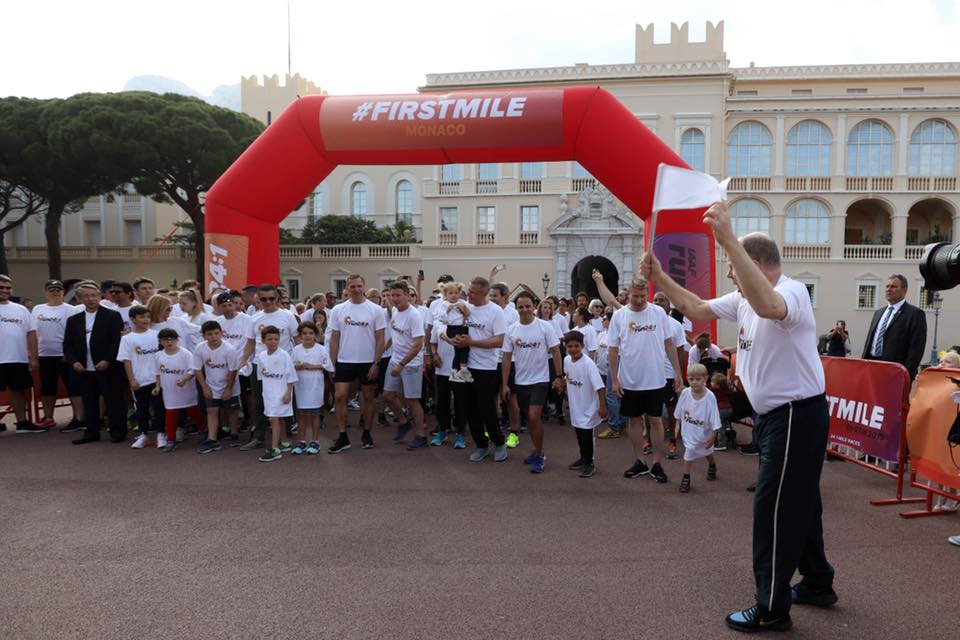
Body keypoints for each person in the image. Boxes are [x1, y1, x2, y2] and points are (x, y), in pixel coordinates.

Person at [643, 201, 835, 633]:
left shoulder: (791, 293)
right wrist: (660, 277)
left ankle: (771, 608)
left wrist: (729, 238)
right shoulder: (743, 298)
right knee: (802, 503)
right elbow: (696, 308)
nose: (729, 273)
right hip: (776, 419)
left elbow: (769, 307)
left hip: (795, 416)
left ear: (756, 263)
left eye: (733, 265)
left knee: (774, 510)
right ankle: (819, 582)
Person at [607, 276, 683, 484]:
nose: (639, 300)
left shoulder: (658, 313)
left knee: (656, 420)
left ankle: (657, 463)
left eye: (643, 296)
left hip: (656, 378)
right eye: (635, 297)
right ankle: (640, 460)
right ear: (628, 295)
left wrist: (678, 373)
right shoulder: (619, 316)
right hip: (629, 380)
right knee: (633, 420)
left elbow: (669, 344)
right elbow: (612, 350)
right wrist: (614, 380)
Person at [501, 291, 562, 473]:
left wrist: (559, 376)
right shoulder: (511, 330)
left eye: (528, 306)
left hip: (540, 380)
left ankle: (540, 453)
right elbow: (506, 358)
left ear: (534, 307)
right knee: (529, 418)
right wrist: (504, 384)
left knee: (535, 416)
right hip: (521, 381)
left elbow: (556, 351)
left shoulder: (544, 327)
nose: (525, 310)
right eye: (521, 307)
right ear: (516, 308)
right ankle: (536, 450)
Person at [327, 274, 386, 454]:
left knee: (368, 397)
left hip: (367, 361)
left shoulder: (376, 310)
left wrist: (376, 363)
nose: (356, 289)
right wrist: (332, 363)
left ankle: (367, 433)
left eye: (359, 286)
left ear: (364, 286)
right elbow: (334, 338)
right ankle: (343, 435)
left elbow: (380, 338)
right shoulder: (338, 309)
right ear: (346, 289)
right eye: (352, 286)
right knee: (339, 396)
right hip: (344, 360)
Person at [238, 283, 300, 451]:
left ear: (277, 298)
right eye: (263, 299)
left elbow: (297, 339)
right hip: (260, 365)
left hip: (282, 366)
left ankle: (284, 436)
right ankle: (258, 437)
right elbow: (251, 342)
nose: (267, 302)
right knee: (259, 402)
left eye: (271, 298)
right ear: (258, 300)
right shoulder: (255, 319)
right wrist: (244, 360)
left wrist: (300, 358)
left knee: (285, 400)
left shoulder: (288, 316)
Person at [64, 282, 126, 443]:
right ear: (79, 298)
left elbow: (117, 341)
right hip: (84, 369)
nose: (90, 299)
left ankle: (117, 431)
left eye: (94, 295)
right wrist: (74, 362)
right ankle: (91, 432)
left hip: (108, 367)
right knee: (89, 402)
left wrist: (107, 359)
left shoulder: (112, 316)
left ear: (100, 296)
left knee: (113, 401)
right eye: (86, 296)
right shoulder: (73, 320)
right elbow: (68, 345)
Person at [454, 277, 507, 462]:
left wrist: (472, 343)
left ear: (484, 293)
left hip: (486, 368)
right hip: (463, 366)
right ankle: (481, 445)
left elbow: (500, 340)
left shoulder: (496, 312)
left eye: (473, 292)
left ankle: (499, 443)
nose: (469, 294)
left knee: (487, 408)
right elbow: (445, 324)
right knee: (468, 408)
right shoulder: (464, 307)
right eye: (469, 290)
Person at [32, 279, 84, 432]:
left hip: (65, 355)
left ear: (63, 292)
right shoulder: (37, 309)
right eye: (51, 289)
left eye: (58, 289)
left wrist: (70, 353)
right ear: (45, 292)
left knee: (73, 387)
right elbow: (33, 333)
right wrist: (34, 355)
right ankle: (48, 418)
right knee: (47, 388)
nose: (55, 292)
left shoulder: (71, 309)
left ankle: (78, 418)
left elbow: (75, 333)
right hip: (44, 355)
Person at [383, 281, 429, 449]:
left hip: (411, 364)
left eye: (398, 295)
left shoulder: (414, 315)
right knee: (387, 395)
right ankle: (404, 422)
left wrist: (401, 364)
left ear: (407, 296)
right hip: (395, 359)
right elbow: (396, 332)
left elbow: (418, 344)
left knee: (412, 400)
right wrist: (387, 344)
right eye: (392, 295)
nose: (394, 299)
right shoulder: (395, 311)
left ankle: (420, 435)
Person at [861, 274, 927, 380]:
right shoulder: (879, 313)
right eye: (887, 286)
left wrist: (906, 375)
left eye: (893, 287)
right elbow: (870, 341)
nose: (888, 289)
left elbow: (916, 349)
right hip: (872, 368)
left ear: (904, 290)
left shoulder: (915, 314)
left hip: (895, 373)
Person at [560, 330, 607, 478]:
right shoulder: (567, 360)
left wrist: (602, 406)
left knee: (587, 435)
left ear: (582, 346)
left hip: (589, 406)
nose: (573, 349)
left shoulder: (588, 364)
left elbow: (599, 387)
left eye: (576, 346)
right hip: (576, 405)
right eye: (570, 346)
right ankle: (582, 458)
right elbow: (567, 376)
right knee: (579, 434)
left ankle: (589, 462)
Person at [0, 274, 44, 433]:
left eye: (8, 288)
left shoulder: (20, 309)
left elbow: (31, 334)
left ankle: (22, 423)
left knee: (19, 391)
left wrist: (33, 358)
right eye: (1, 287)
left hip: (18, 358)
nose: (5, 290)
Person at [153, 328, 205, 452]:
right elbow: (157, 372)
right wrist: (157, 386)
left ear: (177, 340)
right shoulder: (158, 355)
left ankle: (203, 429)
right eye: (165, 340)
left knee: (193, 411)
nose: (169, 342)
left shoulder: (185, 354)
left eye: (172, 339)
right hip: (169, 391)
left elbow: (193, 370)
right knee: (171, 414)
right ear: (160, 341)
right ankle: (171, 440)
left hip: (186, 390)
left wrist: (185, 379)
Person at [118, 305, 164, 449]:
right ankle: (143, 435)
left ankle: (161, 434)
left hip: (157, 380)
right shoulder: (127, 339)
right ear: (133, 319)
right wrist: (132, 380)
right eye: (142, 317)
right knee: (142, 409)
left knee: (159, 408)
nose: (146, 320)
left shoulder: (157, 335)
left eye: (148, 317)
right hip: (139, 380)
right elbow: (126, 360)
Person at [193, 320, 241, 453]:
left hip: (229, 384)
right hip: (211, 385)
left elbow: (233, 370)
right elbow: (197, 369)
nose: (213, 337)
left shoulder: (229, 349)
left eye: (216, 333)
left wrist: (229, 389)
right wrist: (204, 387)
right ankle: (212, 439)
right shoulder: (200, 348)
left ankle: (234, 434)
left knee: (231, 410)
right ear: (203, 336)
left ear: (221, 333)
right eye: (209, 334)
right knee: (211, 411)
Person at [653, 291, 689, 460]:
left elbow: (681, 351)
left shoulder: (675, 325)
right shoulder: (647, 323)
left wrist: (677, 373)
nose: (658, 302)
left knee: (671, 409)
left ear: (668, 306)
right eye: (655, 300)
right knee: (649, 410)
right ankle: (648, 440)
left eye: (662, 300)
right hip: (650, 374)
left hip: (668, 375)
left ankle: (672, 441)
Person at [675, 363, 722, 493]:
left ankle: (712, 465)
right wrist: (677, 424)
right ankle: (686, 478)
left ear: (705, 379)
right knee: (689, 451)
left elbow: (714, 415)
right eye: (691, 379)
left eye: (698, 379)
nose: (694, 382)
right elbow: (679, 410)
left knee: (707, 450)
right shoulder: (685, 393)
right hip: (689, 430)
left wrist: (714, 434)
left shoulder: (710, 397)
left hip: (704, 430)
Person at [255, 325, 298, 462]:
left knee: (274, 419)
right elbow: (261, 375)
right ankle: (283, 442)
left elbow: (291, 375)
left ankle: (274, 449)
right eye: (269, 339)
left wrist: (288, 393)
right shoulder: (261, 356)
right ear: (263, 340)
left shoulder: (284, 355)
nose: (273, 341)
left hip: (281, 391)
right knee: (278, 418)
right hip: (268, 393)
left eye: (276, 339)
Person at [291, 321, 334, 455]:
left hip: (315, 385)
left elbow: (329, 366)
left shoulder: (321, 349)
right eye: (304, 333)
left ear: (315, 335)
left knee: (315, 414)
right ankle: (302, 441)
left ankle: (315, 441)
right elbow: (290, 366)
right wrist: (296, 366)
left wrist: (313, 366)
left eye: (310, 333)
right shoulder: (296, 349)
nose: (308, 336)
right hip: (301, 386)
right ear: (300, 335)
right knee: (302, 414)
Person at [596, 311, 625, 440]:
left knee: (611, 393)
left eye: (605, 319)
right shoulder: (615, 330)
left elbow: (613, 350)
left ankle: (614, 426)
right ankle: (621, 421)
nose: (603, 321)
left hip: (616, 360)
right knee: (619, 394)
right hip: (620, 360)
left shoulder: (615, 330)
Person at [436, 282, 472, 383]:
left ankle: (461, 369)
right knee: (459, 348)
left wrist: (463, 310)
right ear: (445, 295)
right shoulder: (444, 304)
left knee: (464, 348)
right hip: (452, 328)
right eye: (450, 293)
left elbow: (469, 314)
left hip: (462, 327)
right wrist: (447, 310)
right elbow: (440, 319)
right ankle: (457, 371)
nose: (453, 295)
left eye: (456, 293)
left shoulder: (462, 302)